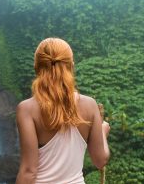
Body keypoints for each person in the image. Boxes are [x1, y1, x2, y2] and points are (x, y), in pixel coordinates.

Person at [16, 38, 110, 184]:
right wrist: (103, 132)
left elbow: (29, 171)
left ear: (36, 67)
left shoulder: (27, 109)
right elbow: (100, 160)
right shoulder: (89, 105)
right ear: (71, 66)